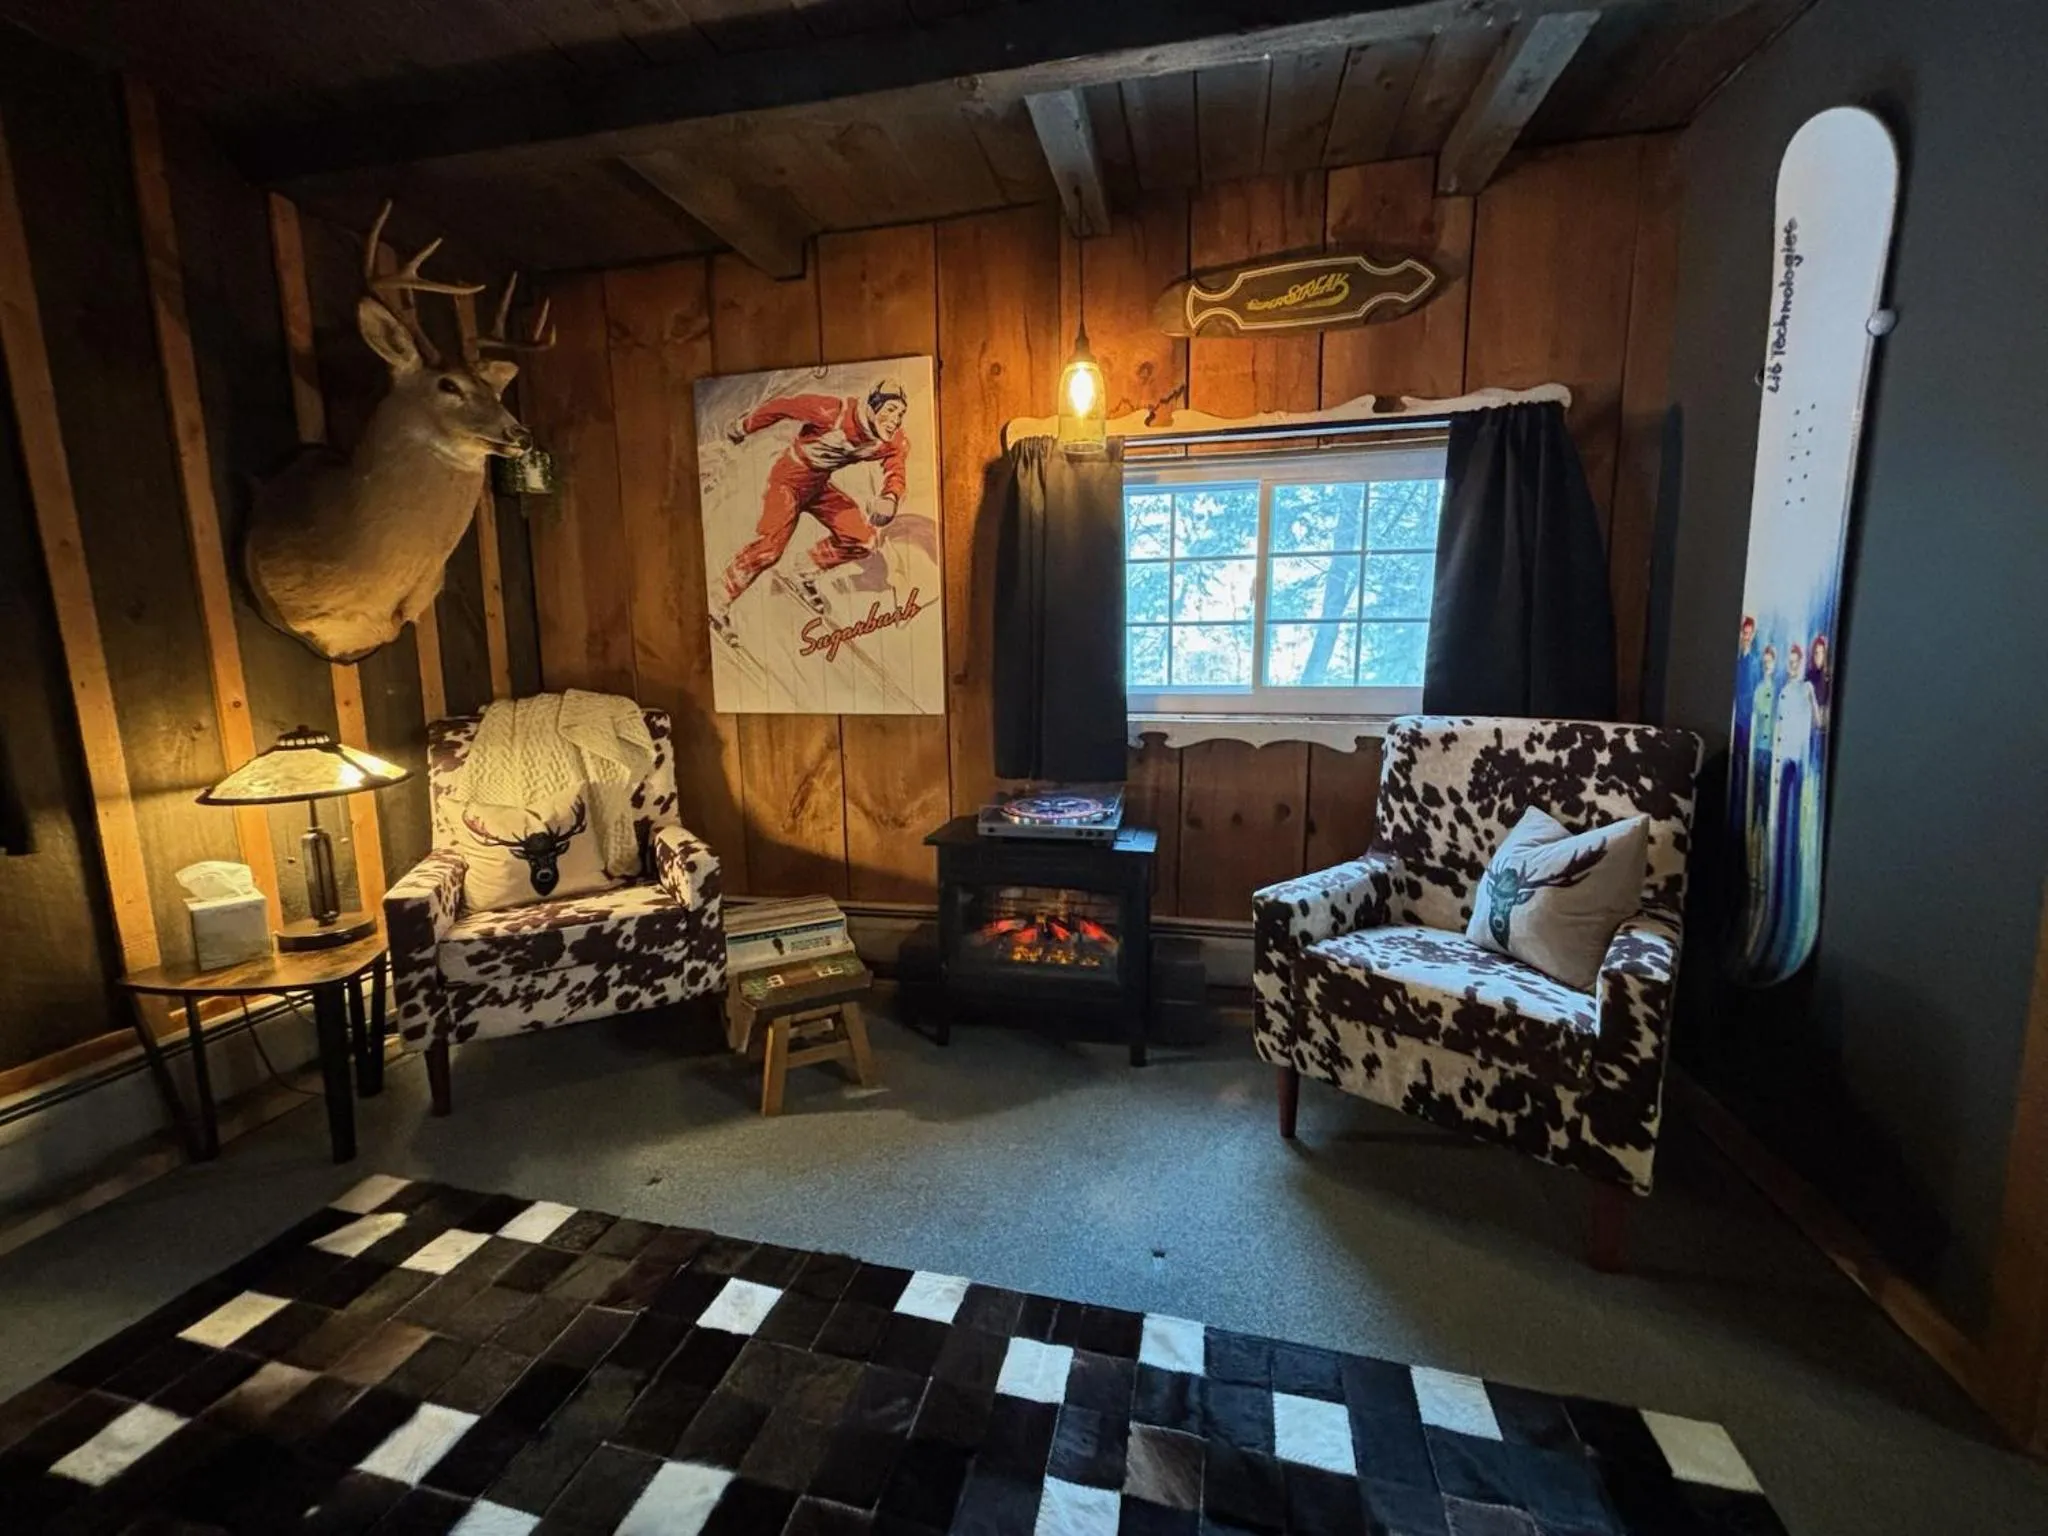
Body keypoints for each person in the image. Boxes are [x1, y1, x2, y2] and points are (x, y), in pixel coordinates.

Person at [711, 378, 910, 639]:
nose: (895, 420)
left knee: (864, 539)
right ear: (873, 407)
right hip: (788, 481)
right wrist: (744, 426)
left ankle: (803, 569)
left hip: (818, 486)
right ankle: (719, 597)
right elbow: (784, 406)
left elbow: (896, 468)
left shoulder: (891, 441)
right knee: (770, 549)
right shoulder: (833, 412)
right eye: (891, 410)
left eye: (901, 413)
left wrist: (890, 497)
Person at [1767, 641, 1816, 970]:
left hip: (1798, 762)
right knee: (1774, 826)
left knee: (1792, 826)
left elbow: (1818, 721)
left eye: (1797, 661)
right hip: (1777, 760)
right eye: (1791, 661)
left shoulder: (1805, 691)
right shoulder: (1781, 689)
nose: (1793, 665)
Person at [1730, 616, 1761, 841]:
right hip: (1736, 720)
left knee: (1746, 771)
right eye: (1744, 632)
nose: (1746, 636)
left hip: (1748, 721)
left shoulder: (1754, 662)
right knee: (1736, 769)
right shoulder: (1738, 660)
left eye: (1749, 632)